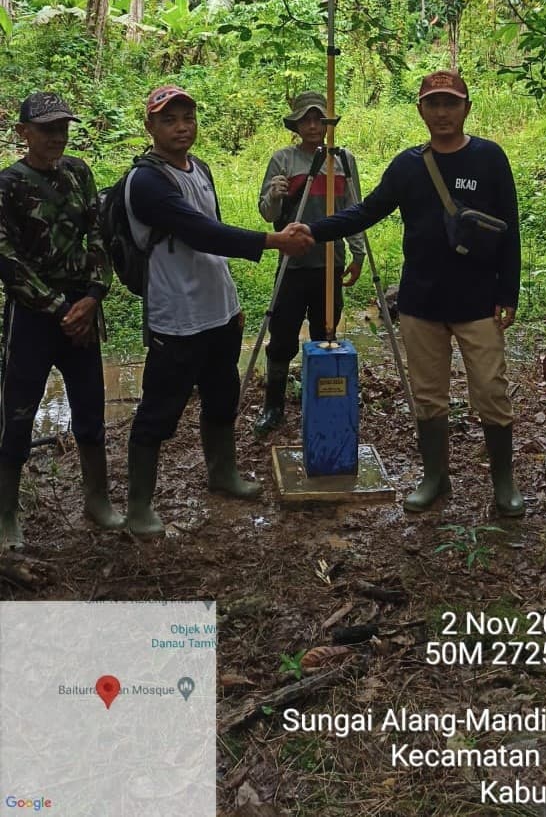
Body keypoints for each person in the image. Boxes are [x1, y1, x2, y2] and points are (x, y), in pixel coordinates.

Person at [294, 71, 524, 516]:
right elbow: (366, 211)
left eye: (450, 103)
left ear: (466, 108)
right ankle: (435, 478)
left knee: (492, 391)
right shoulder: (407, 166)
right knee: (428, 395)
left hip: (479, 301)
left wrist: (508, 293)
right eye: (433, 104)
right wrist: (313, 230)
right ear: (420, 109)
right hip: (421, 302)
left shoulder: (489, 158)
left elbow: (510, 229)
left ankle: (504, 484)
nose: (442, 112)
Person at [124, 84, 312, 537]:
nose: (181, 127)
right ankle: (138, 506)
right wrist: (273, 241)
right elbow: (200, 232)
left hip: (218, 312)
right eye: (169, 119)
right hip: (177, 317)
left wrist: (231, 303)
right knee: (158, 412)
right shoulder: (147, 181)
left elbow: (213, 243)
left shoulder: (201, 169)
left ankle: (221, 472)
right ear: (150, 126)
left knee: (222, 396)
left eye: (187, 117)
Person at [0, 91, 123, 548]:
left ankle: (98, 499)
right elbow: (6, 258)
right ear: (23, 133)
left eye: (62, 128)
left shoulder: (78, 173)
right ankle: (7, 514)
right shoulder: (9, 184)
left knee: (90, 407)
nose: (56, 137)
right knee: (17, 412)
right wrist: (56, 307)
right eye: (46, 128)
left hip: (83, 311)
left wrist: (93, 295)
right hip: (33, 316)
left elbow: (97, 231)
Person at [255, 91, 365, 434]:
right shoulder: (283, 160)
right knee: (283, 337)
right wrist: (275, 193)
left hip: (330, 262)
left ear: (328, 123)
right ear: (297, 124)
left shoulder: (344, 160)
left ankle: (322, 401)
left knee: (326, 335)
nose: (314, 126)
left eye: (319, 119)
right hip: (292, 263)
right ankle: (273, 406)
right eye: (306, 119)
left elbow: (354, 208)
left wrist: (358, 252)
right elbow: (267, 212)